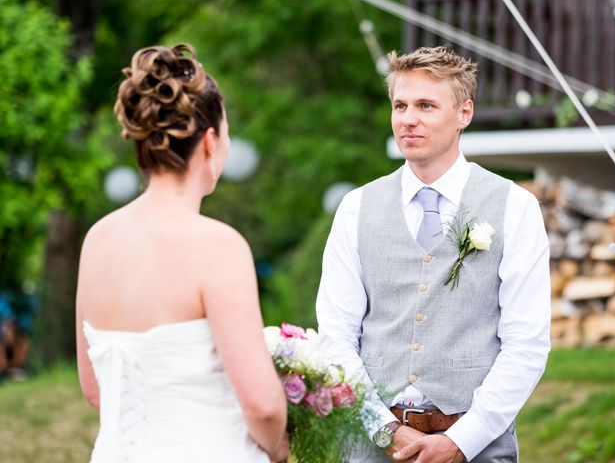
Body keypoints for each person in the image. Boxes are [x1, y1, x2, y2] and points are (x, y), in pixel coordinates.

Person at [316, 46, 551, 463]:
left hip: (477, 445)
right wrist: (384, 430)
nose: (408, 119)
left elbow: (527, 343)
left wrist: (462, 441)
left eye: (425, 105)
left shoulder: (515, 206)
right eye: (400, 105)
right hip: (371, 444)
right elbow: (336, 335)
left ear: (464, 113)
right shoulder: (356, 208)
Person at [75, 44, 288, 463]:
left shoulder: (97, 239)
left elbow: (95, 389)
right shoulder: (219, 246)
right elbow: (263, 407)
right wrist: (277, 445)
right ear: (210, 143)